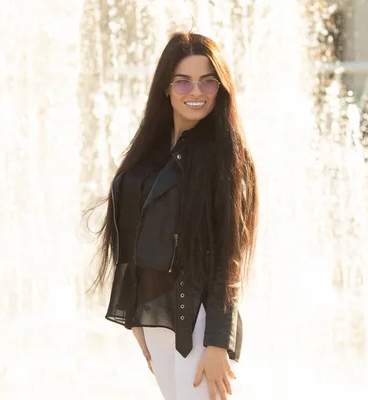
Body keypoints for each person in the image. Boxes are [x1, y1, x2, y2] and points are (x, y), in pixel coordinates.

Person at [87, 32, 258, 400]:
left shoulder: (224, 155)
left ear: (220, 87)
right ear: (166, 87)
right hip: (155, 318)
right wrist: (134, 313)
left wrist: (217, 343)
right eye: (183, 80)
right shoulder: (148, 151)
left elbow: (228, 256)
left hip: (195, 318)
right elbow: (132, 232)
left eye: (207, 80)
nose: (195, 91)